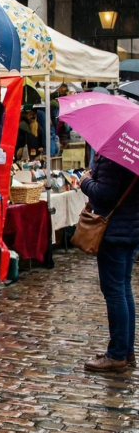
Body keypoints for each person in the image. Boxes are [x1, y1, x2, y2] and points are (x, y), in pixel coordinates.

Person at [81, 154, 139, 373]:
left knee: (115, 292)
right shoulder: (131, 153)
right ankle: (126, 349)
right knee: (123, 291)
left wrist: (86, 181)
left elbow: (104, 194)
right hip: (130, 228)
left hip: (114, 231)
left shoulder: (114, 156)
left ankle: (116, 354)